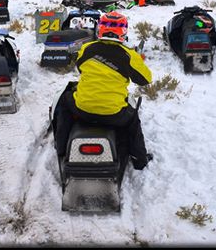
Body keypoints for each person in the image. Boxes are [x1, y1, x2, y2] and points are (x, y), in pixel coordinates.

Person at [54, 11, 153, 170]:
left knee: (65, 100)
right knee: (133, 118)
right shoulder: (130, 55)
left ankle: (61, 146)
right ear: (123, 32)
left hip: (83, 109)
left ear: (100, 28)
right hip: (114, 114)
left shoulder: (86, 48)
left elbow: (80, 68)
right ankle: (139, 159)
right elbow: (145, 79)